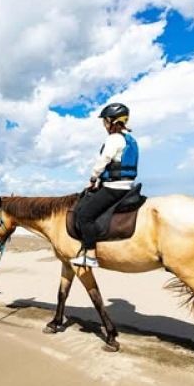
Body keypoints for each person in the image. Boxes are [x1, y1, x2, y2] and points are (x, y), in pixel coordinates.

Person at [71, 102, 139, 269]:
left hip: (114, 188)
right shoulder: (129, 139)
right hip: (126, 186)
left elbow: (104, 160)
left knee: (84, 215)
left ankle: (91, 255)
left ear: (111, 121)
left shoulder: (114, 139)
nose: (104, 125)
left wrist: (93, 178)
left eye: (104, 122)